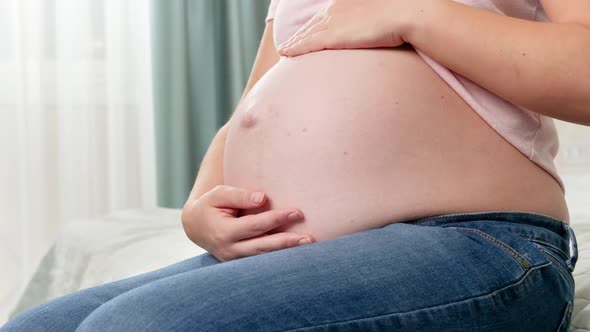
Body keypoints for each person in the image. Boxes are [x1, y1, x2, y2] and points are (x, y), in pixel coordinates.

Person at [2, 0, 588, 330]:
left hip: (477, 241)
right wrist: (201, 206)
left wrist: (414, 14)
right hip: (295, 253)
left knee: (138, 328)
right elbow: (251, 110)